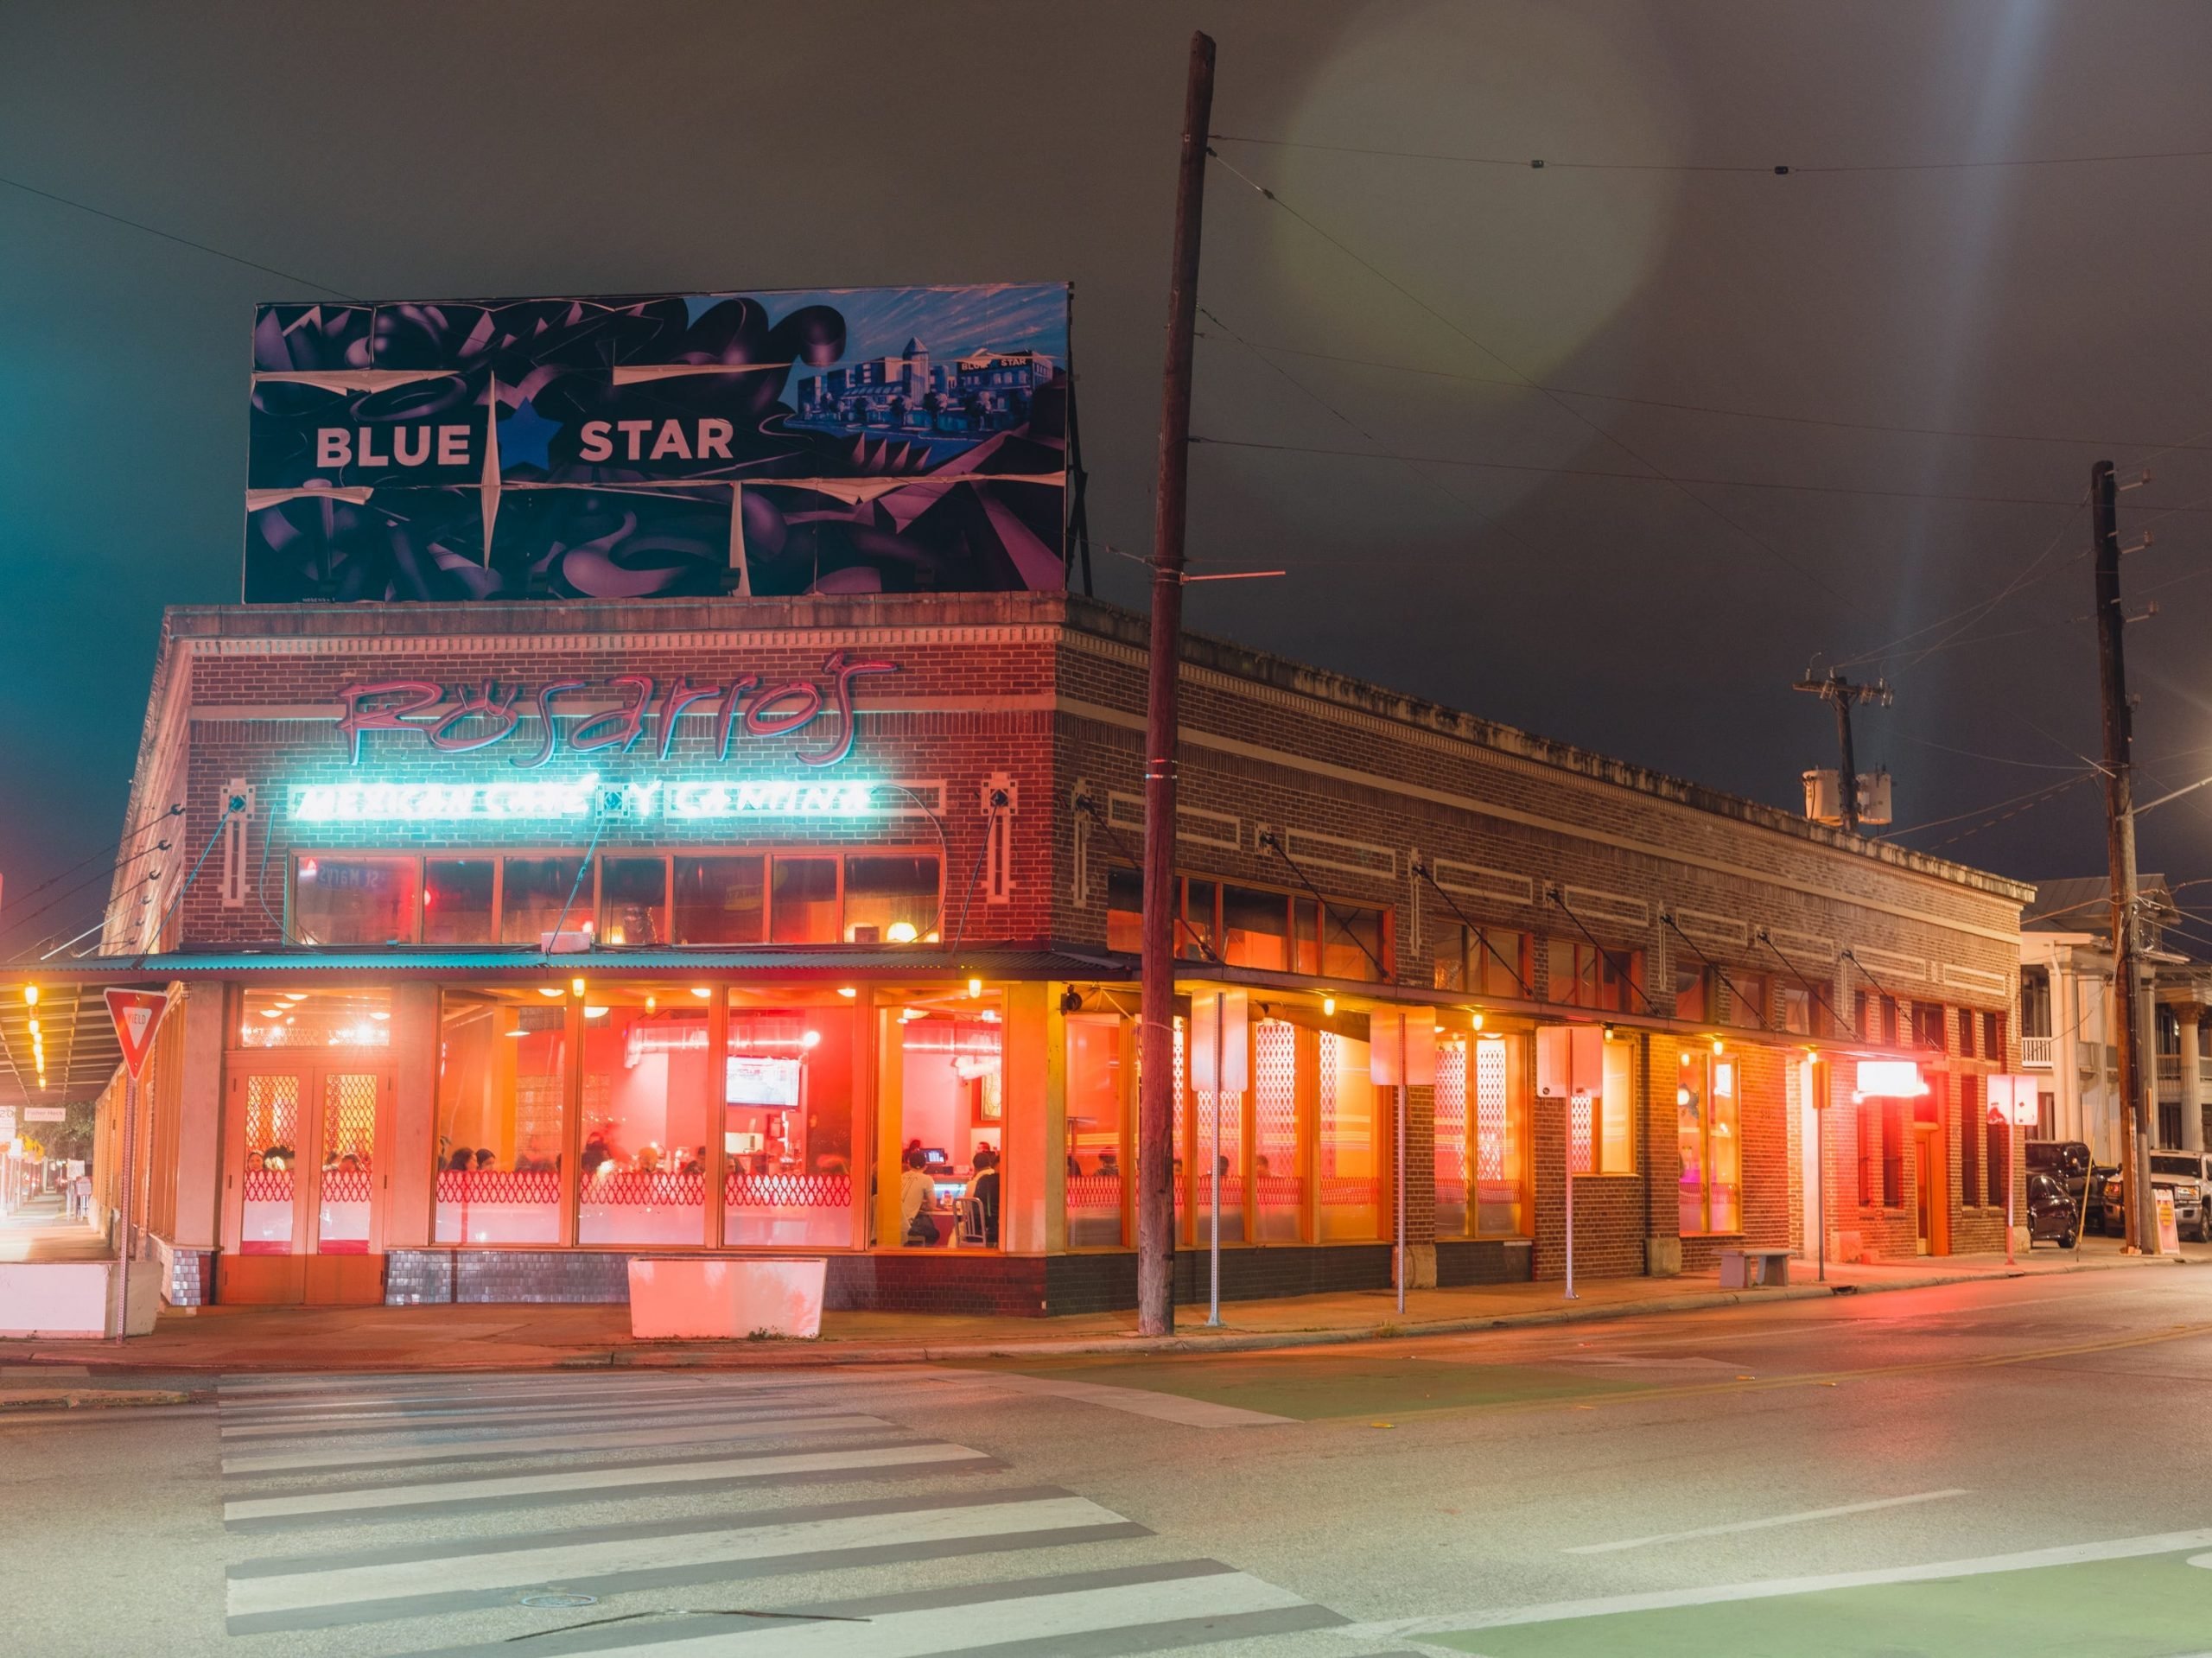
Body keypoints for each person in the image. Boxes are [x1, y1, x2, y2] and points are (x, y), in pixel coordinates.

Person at [899, 1147, 938, 1245]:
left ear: (908, 1164)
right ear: (925, 1166)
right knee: (934, 1233)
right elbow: (932, 1206)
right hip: (908, 1225)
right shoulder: (927, 1179)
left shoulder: (901, 1176)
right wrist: (921, 1205)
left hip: (893, 1223)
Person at [969, 1147, 1002, 1246]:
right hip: (995, 1230)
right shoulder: (1004, 1182)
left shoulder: (983, 1180)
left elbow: (970, 1208)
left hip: (976, 1229)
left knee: (957, 1231)